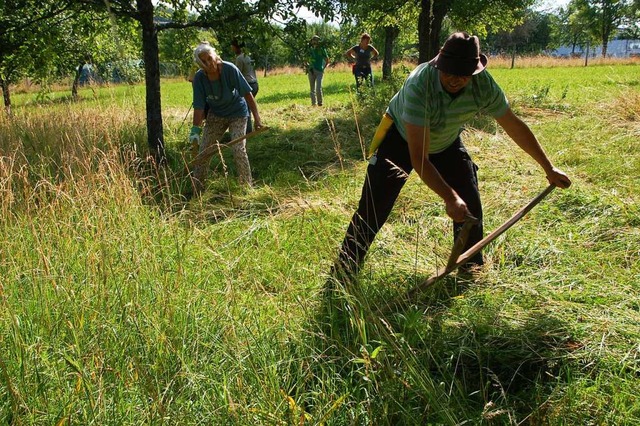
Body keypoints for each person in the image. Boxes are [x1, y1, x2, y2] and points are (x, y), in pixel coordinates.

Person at [332, 32, 572, 282]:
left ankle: (470, 268)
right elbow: (419, 158)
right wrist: (449, 197)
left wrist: (549, 168)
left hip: (446, 141)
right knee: (374, 206)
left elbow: (513, 125)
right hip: (401, 140)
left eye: (463, 75)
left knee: (469, 201)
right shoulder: (419, 85)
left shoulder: (484, 85)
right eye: (449, 72)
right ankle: (343, 273)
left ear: (474, 72)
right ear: (439, 64)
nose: (454, 80)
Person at [189, 41, 263, 190]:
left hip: (237, 113)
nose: (209, 63)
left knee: (238, 148)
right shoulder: (199, 78)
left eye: (209, 58)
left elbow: (248, 95)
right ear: (200, 64)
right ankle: (197, 188)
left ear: (214, 56)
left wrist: (257, 119)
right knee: (204, 151)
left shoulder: (230, 69)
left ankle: (247, 187)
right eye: (204, 61)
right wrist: (195, 131)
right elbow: (199, 107)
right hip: (216, 115)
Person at [231, 38, 259, 133]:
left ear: (236, 47)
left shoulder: (239, 58)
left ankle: (248, 131)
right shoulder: (249, 56)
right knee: (249, 106)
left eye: (233, 46)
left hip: (247, 84)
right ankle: (249, 128)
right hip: (255, 83)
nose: (232, 49)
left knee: (245, 108)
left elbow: (237, 74)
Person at [306, 35, 330, 106]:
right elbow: (306, 58)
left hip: (319, 71)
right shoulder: (309, 49)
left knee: (318, 88)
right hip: (311, 70)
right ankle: (313, 104)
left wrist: (323, 67)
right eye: (313, 40)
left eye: (316, 40)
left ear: (319, 41)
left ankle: (320, 103)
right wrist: (307, 66)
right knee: (312, 89)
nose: (315, 41)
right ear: (311, 41)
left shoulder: (322, 49)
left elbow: (327, 59)